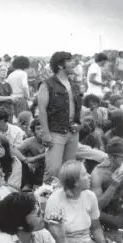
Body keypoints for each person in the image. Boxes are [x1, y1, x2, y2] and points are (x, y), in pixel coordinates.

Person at [45, 160, 123, 243]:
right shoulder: (55, 199)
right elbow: (53, 237)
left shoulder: (90, 196)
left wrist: (103, 242)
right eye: (84, 174)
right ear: (75, 182)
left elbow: (96, 228)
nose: (89, 176)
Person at [38, 51, 82, 183]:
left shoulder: (74, 86)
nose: (74, 63)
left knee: (69, 172)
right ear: (60, 65)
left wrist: (80, 124)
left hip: (73, 133)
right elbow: (41, 110)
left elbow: (79, 108)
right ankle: (44, 199)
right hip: (55, 133)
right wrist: (46, 134)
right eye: (70, 61)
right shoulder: (47, 84)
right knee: (53, 171)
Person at [90, 137, 123, 230]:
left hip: (119, 205)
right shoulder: (98, 173)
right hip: (104, 210)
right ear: (111, 157)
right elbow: (97, 206)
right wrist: (113, 186)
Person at [14, 118, 46, 189]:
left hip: (45, 169)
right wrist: (26, 160)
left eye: (44, 128)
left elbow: (49, 154)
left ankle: (38, 185)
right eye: (38, 129)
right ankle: (27, 184)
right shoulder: (30, 141)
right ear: (34, 131)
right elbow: (15, 150)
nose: (41, 131)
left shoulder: (52, 140)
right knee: (22, 162)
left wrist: (34, 159)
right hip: (33, 170)